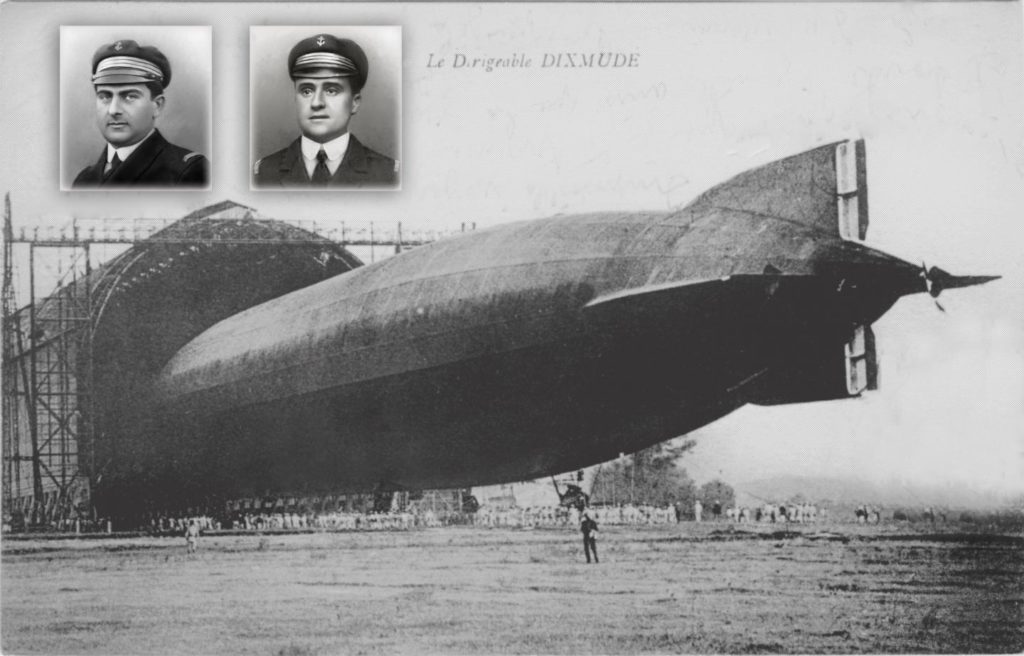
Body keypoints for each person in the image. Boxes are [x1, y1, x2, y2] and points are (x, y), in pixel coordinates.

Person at [254, 33, 398, 188]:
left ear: (354, 103)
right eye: (307, 91)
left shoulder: (389, 175)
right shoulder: (261, 173)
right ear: (296, 99)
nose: (316, 103)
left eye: (331, 90)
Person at [73, 39, 208, 187]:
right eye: (105, 96)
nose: (113, 110)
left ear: (157, 105)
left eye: (129, 97)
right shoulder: (84, 180)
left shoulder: (187, 173)